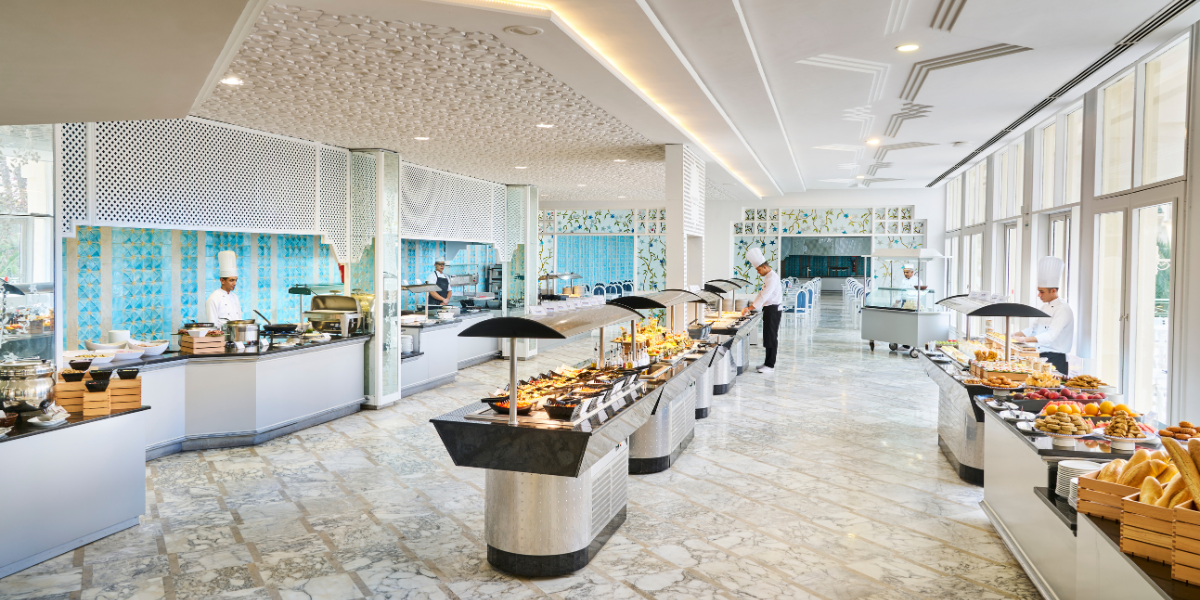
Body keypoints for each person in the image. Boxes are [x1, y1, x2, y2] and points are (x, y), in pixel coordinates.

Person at [1012, 256, 1074, 375]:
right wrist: (1013, 335)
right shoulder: (1045, 306)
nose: (1039, 295)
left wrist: (1023, 340)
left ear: (1053, 291)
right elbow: (1033, 329)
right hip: (1041, 356)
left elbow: (1050, 336)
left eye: (1042, 292)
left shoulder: (1062, 310)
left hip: (1056, 359)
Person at [741, 247, 782, 373]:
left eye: (758, 270)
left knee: (771, 337)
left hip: (773, 310)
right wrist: (751, 306)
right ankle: (767, 363)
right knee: (768, 336)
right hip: (769, 309)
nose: (758, 272)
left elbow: (764, 296)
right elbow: (761, 294)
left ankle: (770, 365)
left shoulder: (772, 278)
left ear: (764, 267)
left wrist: (750, 308)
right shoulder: (768, 277)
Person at [205, 250, 243, 327]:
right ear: (222, 280)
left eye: (236, 280)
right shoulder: (213, 299)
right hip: (222, 335)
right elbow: (212, 327)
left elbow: (239, 321)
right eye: (231, 280)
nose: (235, 283)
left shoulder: (235, 297)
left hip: (237, 335)